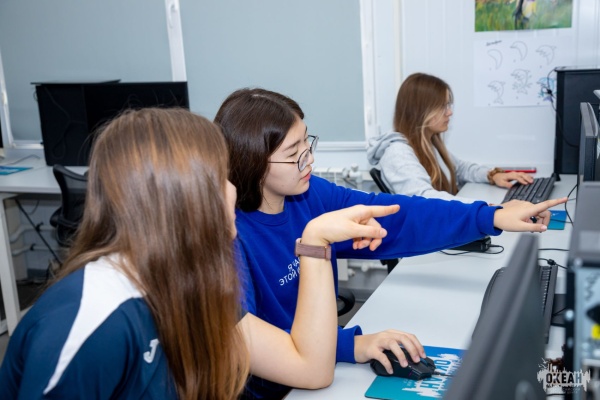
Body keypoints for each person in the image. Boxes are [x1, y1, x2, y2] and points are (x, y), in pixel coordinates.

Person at [0, 108, 401, 399]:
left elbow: (310, 368)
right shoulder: (93, 320)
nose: (234, 190)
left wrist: (315, 243)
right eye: (220, 177)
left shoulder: (188, 280)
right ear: (178, 198)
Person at [214, 87, 567, 399]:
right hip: (276, 388)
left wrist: (489, 216)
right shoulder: (229, 238)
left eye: (308, 142)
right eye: (295, 152)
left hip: (323, 361)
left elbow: (398, 216)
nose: (310, 158)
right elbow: (263, 343)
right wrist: (351, 344)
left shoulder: (308, 195)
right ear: (253, 161)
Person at [367, 72, 534, 203]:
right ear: (420, 110)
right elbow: (425, 198)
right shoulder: (398, 153)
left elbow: (460, 169)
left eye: (448, 105)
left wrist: (492, 175)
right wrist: (485, 209)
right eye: (442, 106)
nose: (449, 112)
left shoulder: (429, 142)